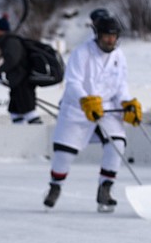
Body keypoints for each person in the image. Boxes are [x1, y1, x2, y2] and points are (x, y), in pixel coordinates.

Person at [42, 12, 141, 212]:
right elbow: (72, 83)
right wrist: (85, 100)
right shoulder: (82, 53)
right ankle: (55, 186)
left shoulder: (119, 56)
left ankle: (105, 189)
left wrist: (127, 103)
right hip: (78, 108)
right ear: (97, 34)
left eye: (114, 36)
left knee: (117, 144)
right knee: (64, 154)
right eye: (106, 35)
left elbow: (120, 85)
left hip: (107, 107)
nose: (110, 40)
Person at [0, 16, 41, 124]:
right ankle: (19, 134)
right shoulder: (7, 41)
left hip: (22, 81)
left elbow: (13, 59)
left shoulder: (11, 42)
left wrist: (1, 69)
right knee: (15, 111)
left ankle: (38, 133)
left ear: (1, 30)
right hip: (16, 82)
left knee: (29, 111)